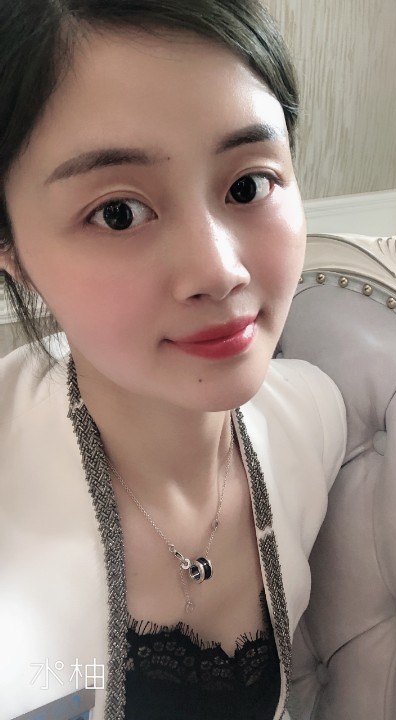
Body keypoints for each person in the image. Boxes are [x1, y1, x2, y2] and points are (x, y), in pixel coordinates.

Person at [0, 1, 346, 718]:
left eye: (248, 185)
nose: (218, 271)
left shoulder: (314, 419)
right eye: (118, 213)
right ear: (14, 254)